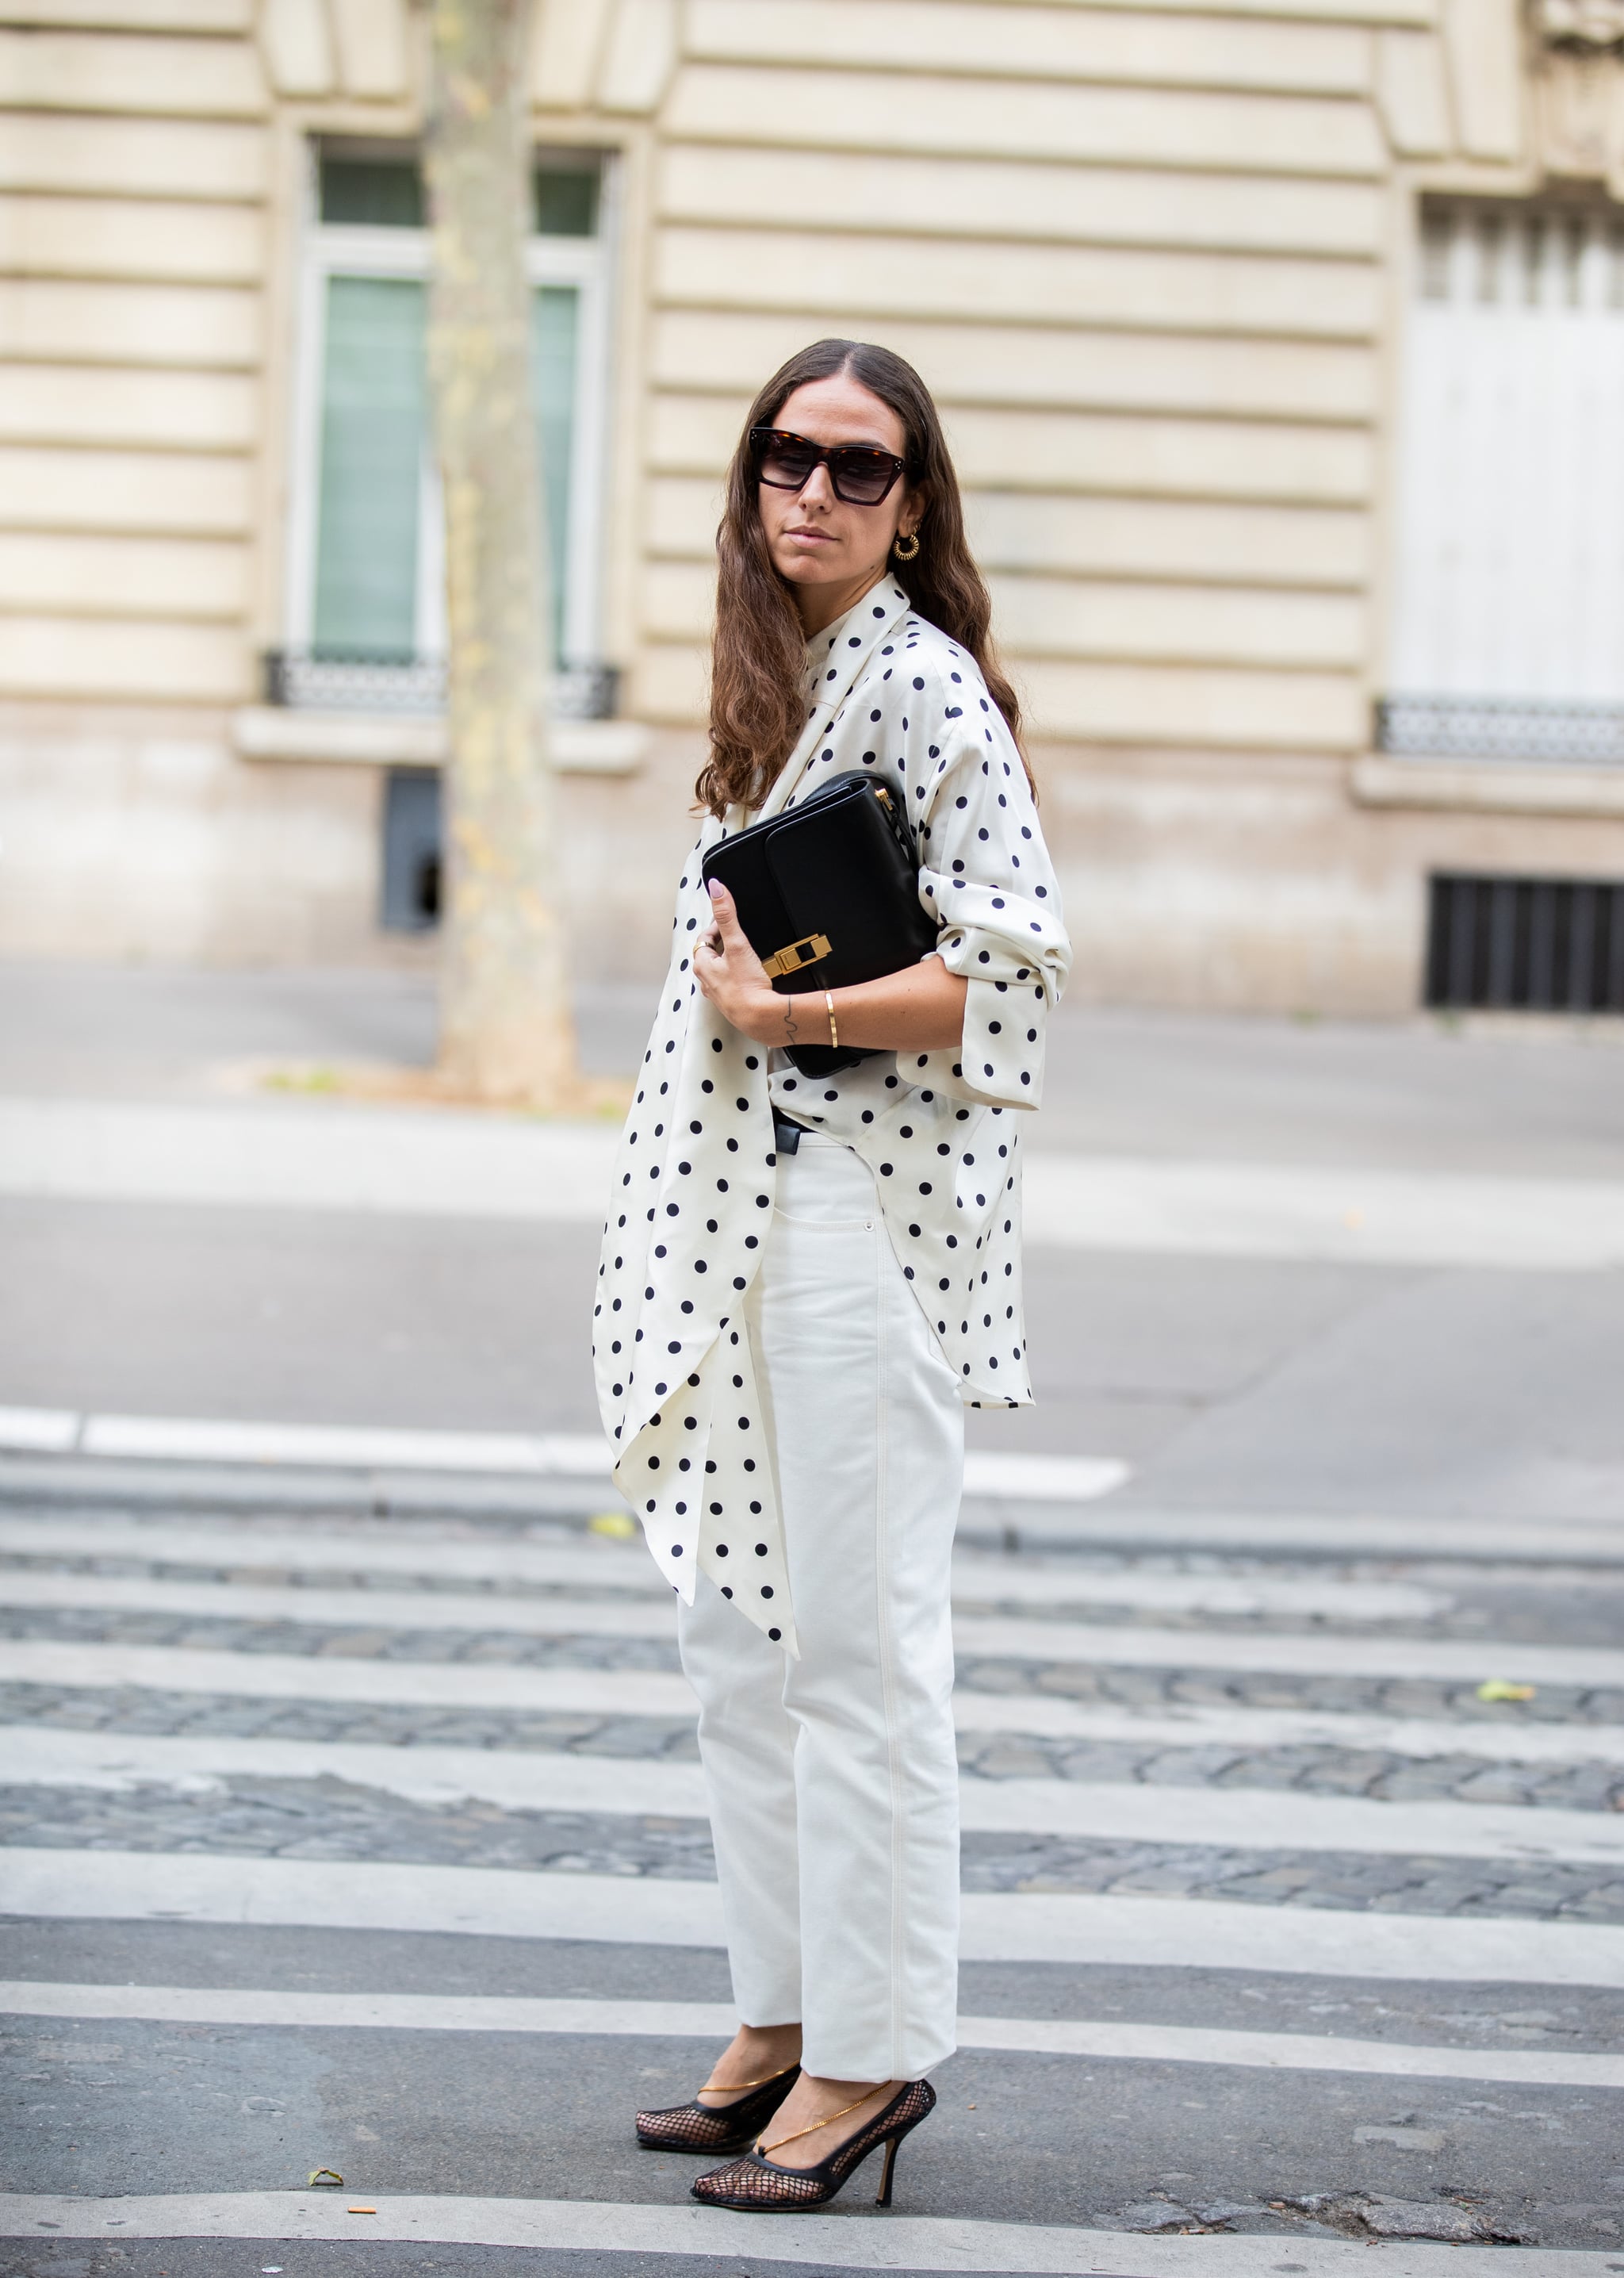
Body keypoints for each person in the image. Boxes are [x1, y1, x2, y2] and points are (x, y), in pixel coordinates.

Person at [593, 337, 1071, 2213]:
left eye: (855, 468)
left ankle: (873, 2050)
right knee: (742, 1632)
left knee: (859, 1646)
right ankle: (785, 2008)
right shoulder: (768, 676)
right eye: (783, 456)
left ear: (911, 503)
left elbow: (1011, 972)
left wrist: (795, 1001)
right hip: (732, 1205)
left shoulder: (928, 689)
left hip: (855, 1206)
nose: (811, 488)